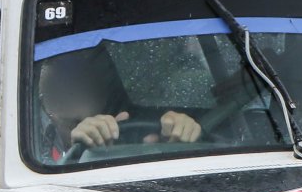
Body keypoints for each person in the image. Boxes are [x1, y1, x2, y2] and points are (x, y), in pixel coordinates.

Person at [35, 49, 201, 163]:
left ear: (101, 91)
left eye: (80, 84)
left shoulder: (135, 130)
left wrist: (180, 136)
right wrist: (78, 153)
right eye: (56, 90)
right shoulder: (32, 152)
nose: (70, 95)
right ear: (43, 104)